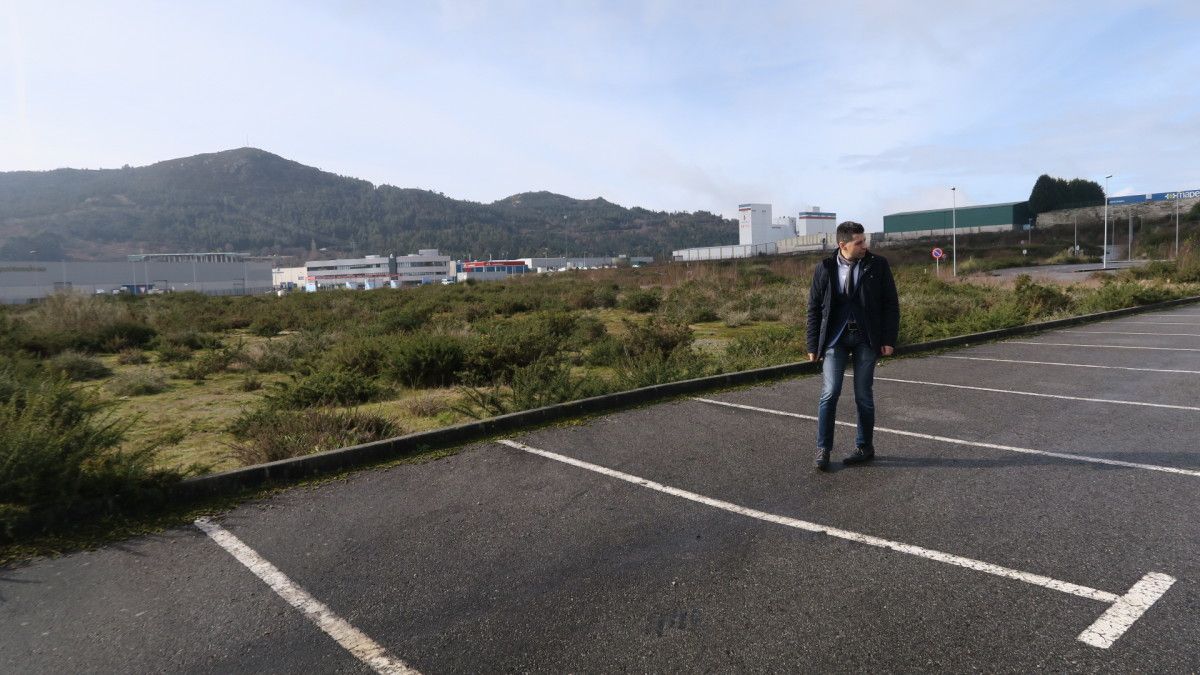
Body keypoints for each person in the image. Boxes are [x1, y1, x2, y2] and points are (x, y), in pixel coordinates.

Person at [806, 221, 899, 471]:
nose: (864, 246)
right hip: (834, 339)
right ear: (842, 244)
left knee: (863, 396)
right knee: (830, 393)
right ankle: (823, 448)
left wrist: (889, 339)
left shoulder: (877, 265)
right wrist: (812, 343)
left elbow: (891, 303)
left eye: (864, 241)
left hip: (866, 338)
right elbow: (814, 307)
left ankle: (864, 446)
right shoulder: (824, 268)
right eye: (859, 242)